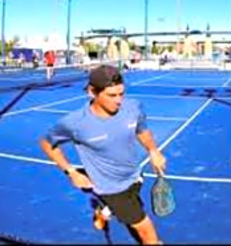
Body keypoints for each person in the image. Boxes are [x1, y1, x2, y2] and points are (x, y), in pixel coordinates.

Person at [39, 64, 167, 245]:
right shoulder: (75, 123)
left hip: (134, 175)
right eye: (112, 95)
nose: (119, 101)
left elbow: (142, 129)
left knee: (125, 205)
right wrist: (71, 172)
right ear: (92, 92)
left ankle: (103, 212)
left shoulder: (133, 107)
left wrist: (153, 150)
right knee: (146, 231)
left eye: (121, 94)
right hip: (110, 188)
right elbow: (46, 143)